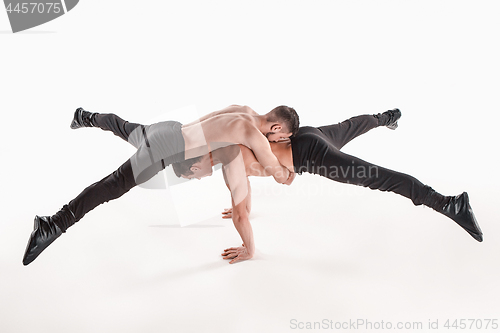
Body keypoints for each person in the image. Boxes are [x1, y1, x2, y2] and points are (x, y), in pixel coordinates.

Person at [22, 105, 300, 266]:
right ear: (276, 129)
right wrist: (290, 172)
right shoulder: (254, 133)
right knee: (113, 185)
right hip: (167, 147)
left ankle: (85, 116)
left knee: (124, 127)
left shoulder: (245, 111)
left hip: (168, 129)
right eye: (281, 138)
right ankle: (53, 224)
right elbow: (277, 173)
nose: (277, 143)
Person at [173, 109, 483, 253]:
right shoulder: (230, 145)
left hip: (312, 155)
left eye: (192, 175)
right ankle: (386, 117)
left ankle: (449, 204)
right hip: (307, 134)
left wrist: (248, 249)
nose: (197, 179)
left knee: (378, 177)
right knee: (346, 128)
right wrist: (243, 205)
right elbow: (244, 190)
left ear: (198, 162)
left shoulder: (228, 163)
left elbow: (242, 209)